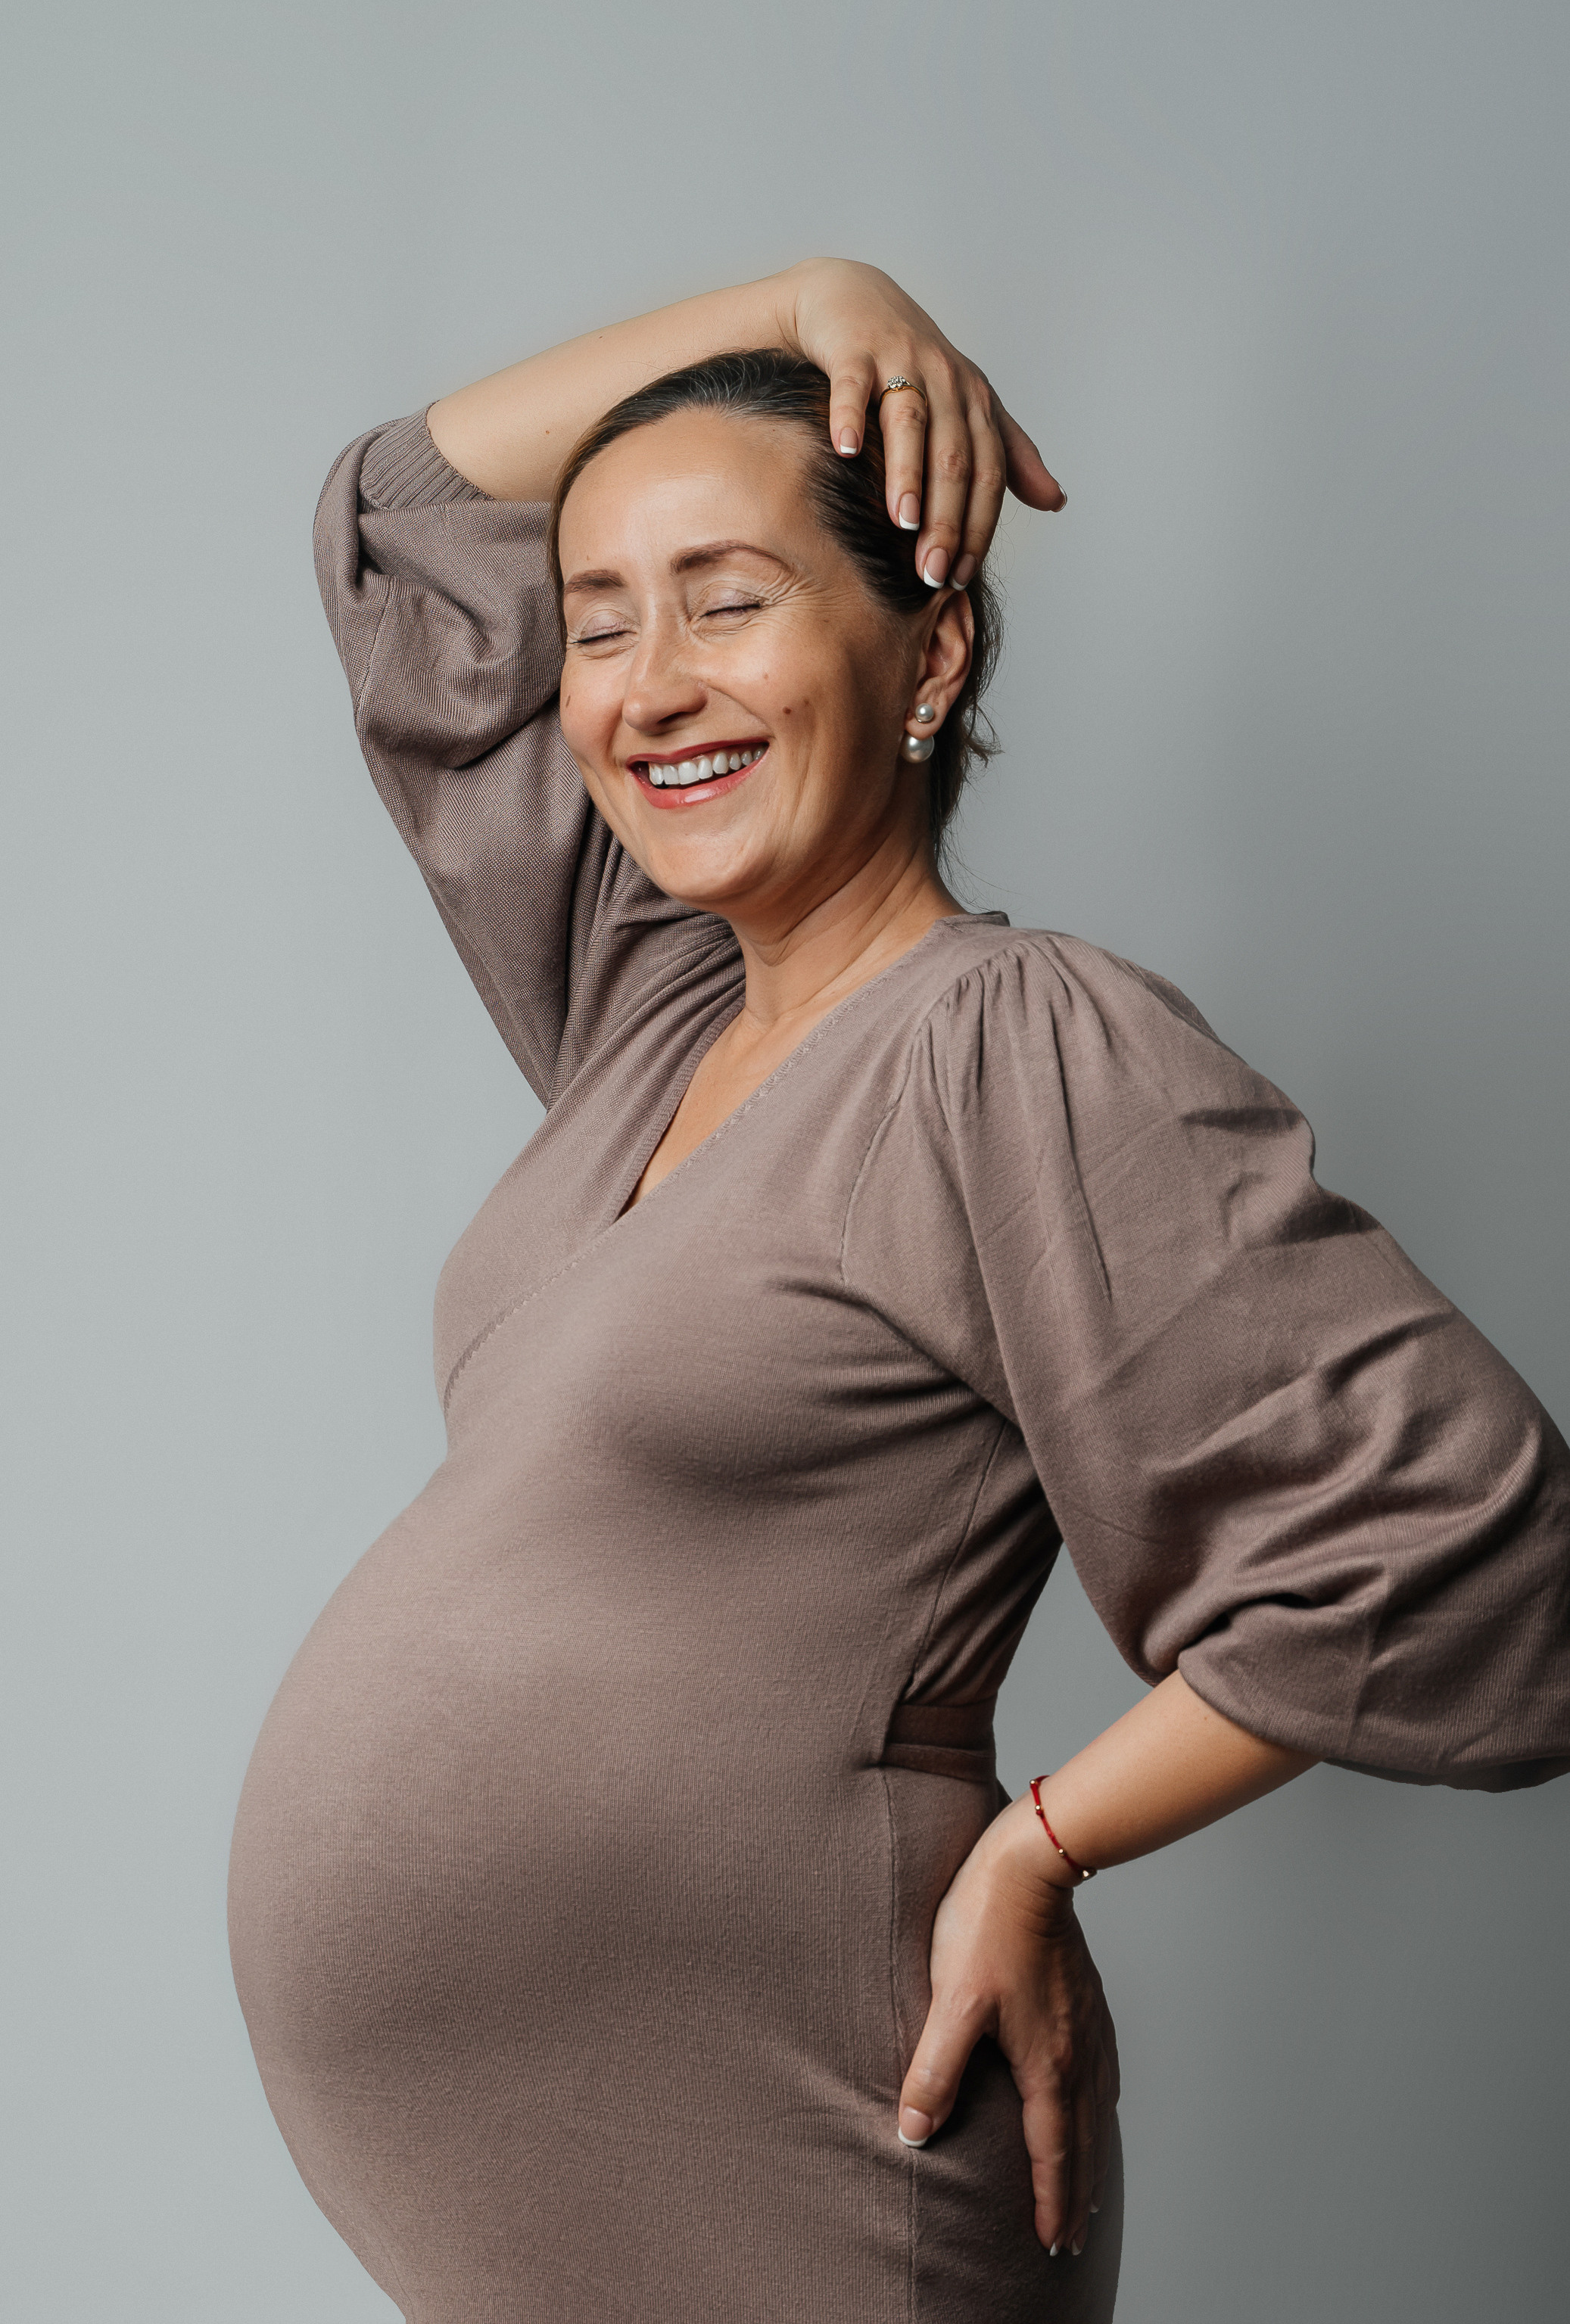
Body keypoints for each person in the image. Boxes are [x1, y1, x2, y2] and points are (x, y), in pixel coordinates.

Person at [228, 259, 1570, 2323]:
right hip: (555, 2199)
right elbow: (403, 510)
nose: (644, 682)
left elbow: (1468, 1542)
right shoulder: (646, 1017)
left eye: (728, 597)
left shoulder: (1007, 1038)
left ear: (928, 656)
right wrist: (807, 293)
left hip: (806, 2135)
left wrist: (1040, 1843)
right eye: (601, 619)